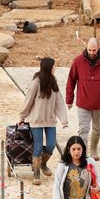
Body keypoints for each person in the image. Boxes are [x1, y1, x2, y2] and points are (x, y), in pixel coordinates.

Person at [18, 57, 69, 185]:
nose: (55, 68)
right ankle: (36, 173)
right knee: (38, 146)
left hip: (50, 120)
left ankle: (43, 163)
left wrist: (64, 119)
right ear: (48, 68)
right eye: (54, 66)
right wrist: (22, 117)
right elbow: (28, 100)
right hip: (36, 121)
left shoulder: (53, 81)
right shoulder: (36, 82)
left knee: (51, 145)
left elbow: (59, 101)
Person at [66, 38, 100, 161]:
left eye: (94, 50)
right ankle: (83, 154)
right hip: (83, 102)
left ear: (98, 48)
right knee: (83, 129)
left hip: (99, 103)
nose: (92, 52)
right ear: (86, 48)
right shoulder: (78, 61)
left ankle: (93, 150)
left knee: (97, 127)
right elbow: (71, 80)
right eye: (89, 50)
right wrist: (69, 99)